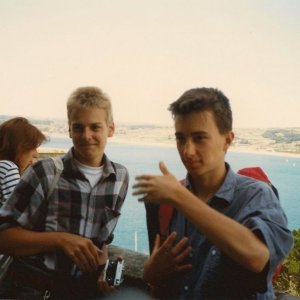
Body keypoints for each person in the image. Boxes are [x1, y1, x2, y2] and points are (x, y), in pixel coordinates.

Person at [133, 88, 293, 299]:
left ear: (227, 140)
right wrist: (151, 273)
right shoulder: (167, 203)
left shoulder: (256, 195)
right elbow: (157, 279)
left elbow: (257, 257)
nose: (187, 151)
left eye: (199, 138)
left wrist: (180, 197)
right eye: (180, 138)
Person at [0, 86, 129, 299]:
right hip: (33, 290)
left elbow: (102, 240)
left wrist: (103, 269)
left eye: (95, 127)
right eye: (78, 128)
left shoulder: (120, 178)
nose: (86, 136)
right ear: (69, 130)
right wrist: (61, 240)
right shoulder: (43, 172)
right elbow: (3, 237)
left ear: (111, 129)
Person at [0, 117, 47, 205]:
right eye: (33, 147)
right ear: (19, 147)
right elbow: (17, 210)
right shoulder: (7, 167)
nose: (36, 154)